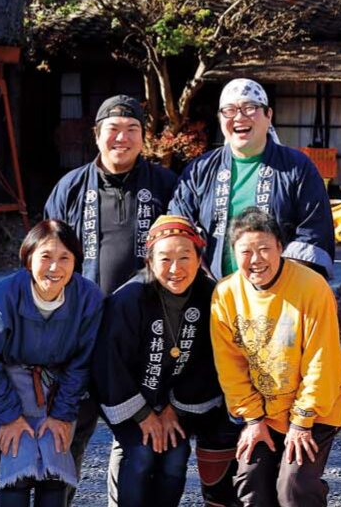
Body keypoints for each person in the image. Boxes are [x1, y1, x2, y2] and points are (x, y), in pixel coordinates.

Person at [43, 94, 177, 501]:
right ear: (97, 135)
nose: (122, 138)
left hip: (143, 335)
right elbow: (46, 257)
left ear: (144, 137)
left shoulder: (166, 185)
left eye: (132, 129)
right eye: (113, 129)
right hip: (80, 333)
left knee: (137, 439)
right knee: (67, 436)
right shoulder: (70, 187)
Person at [92, 215, 239, 507]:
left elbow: (211, 361)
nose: (175, 268)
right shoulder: (129, 298)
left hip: (178, 403)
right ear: (149, 261)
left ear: (199, 258)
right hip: (133, 400)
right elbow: (110, 362)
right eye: (165, 259)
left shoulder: (210, 295)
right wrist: (144, 415)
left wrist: (173, 410)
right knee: (141, 453)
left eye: (185, 257)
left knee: (176, 455)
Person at [210, 208, 341, 507]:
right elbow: (230, 365)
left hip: (318, 404)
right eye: (246, 251)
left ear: (280, 246)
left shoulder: (311, 287)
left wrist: (302, 421)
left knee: (293, 485)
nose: (256, 259)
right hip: (264, 410)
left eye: (264, 248)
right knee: (250, 478)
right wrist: (252, 418)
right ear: (234, 253)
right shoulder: (225, 294)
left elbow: (321, 359)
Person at [0, 219, 104, 507]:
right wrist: (9, 417)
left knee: (55, 475)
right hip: (9, 386)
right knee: (16, 470)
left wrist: (62, 414)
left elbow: (83, 360)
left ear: (76, 262)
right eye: (46, 256)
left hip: (61, 387)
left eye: (65, 258)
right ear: (28, 259)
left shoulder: (89, 298)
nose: (55, 267)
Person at [170, 79, 335, 280]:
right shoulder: (199, 170)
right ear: (220, 118)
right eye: (229, 110)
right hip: (215, 290)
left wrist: (276, 282)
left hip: (280, 290)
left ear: (268, 115)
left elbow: (314, 232)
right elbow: (178, 226)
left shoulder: (298, 167)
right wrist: (205, 282)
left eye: (250, 108)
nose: (239, 117)